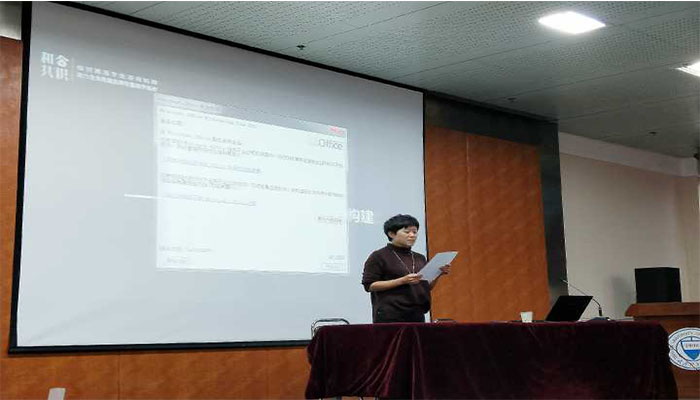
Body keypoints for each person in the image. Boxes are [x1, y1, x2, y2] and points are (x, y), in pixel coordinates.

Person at [361, 214, 450, 323]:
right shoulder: (379, 256)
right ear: (391, 234)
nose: (412, 235)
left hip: (417, 314)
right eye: (407, 232)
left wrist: (438, 273)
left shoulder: (419, 257)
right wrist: (402, 281)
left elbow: (426, 286)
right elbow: (370, 285)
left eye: (415, 232)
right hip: (390, 316)